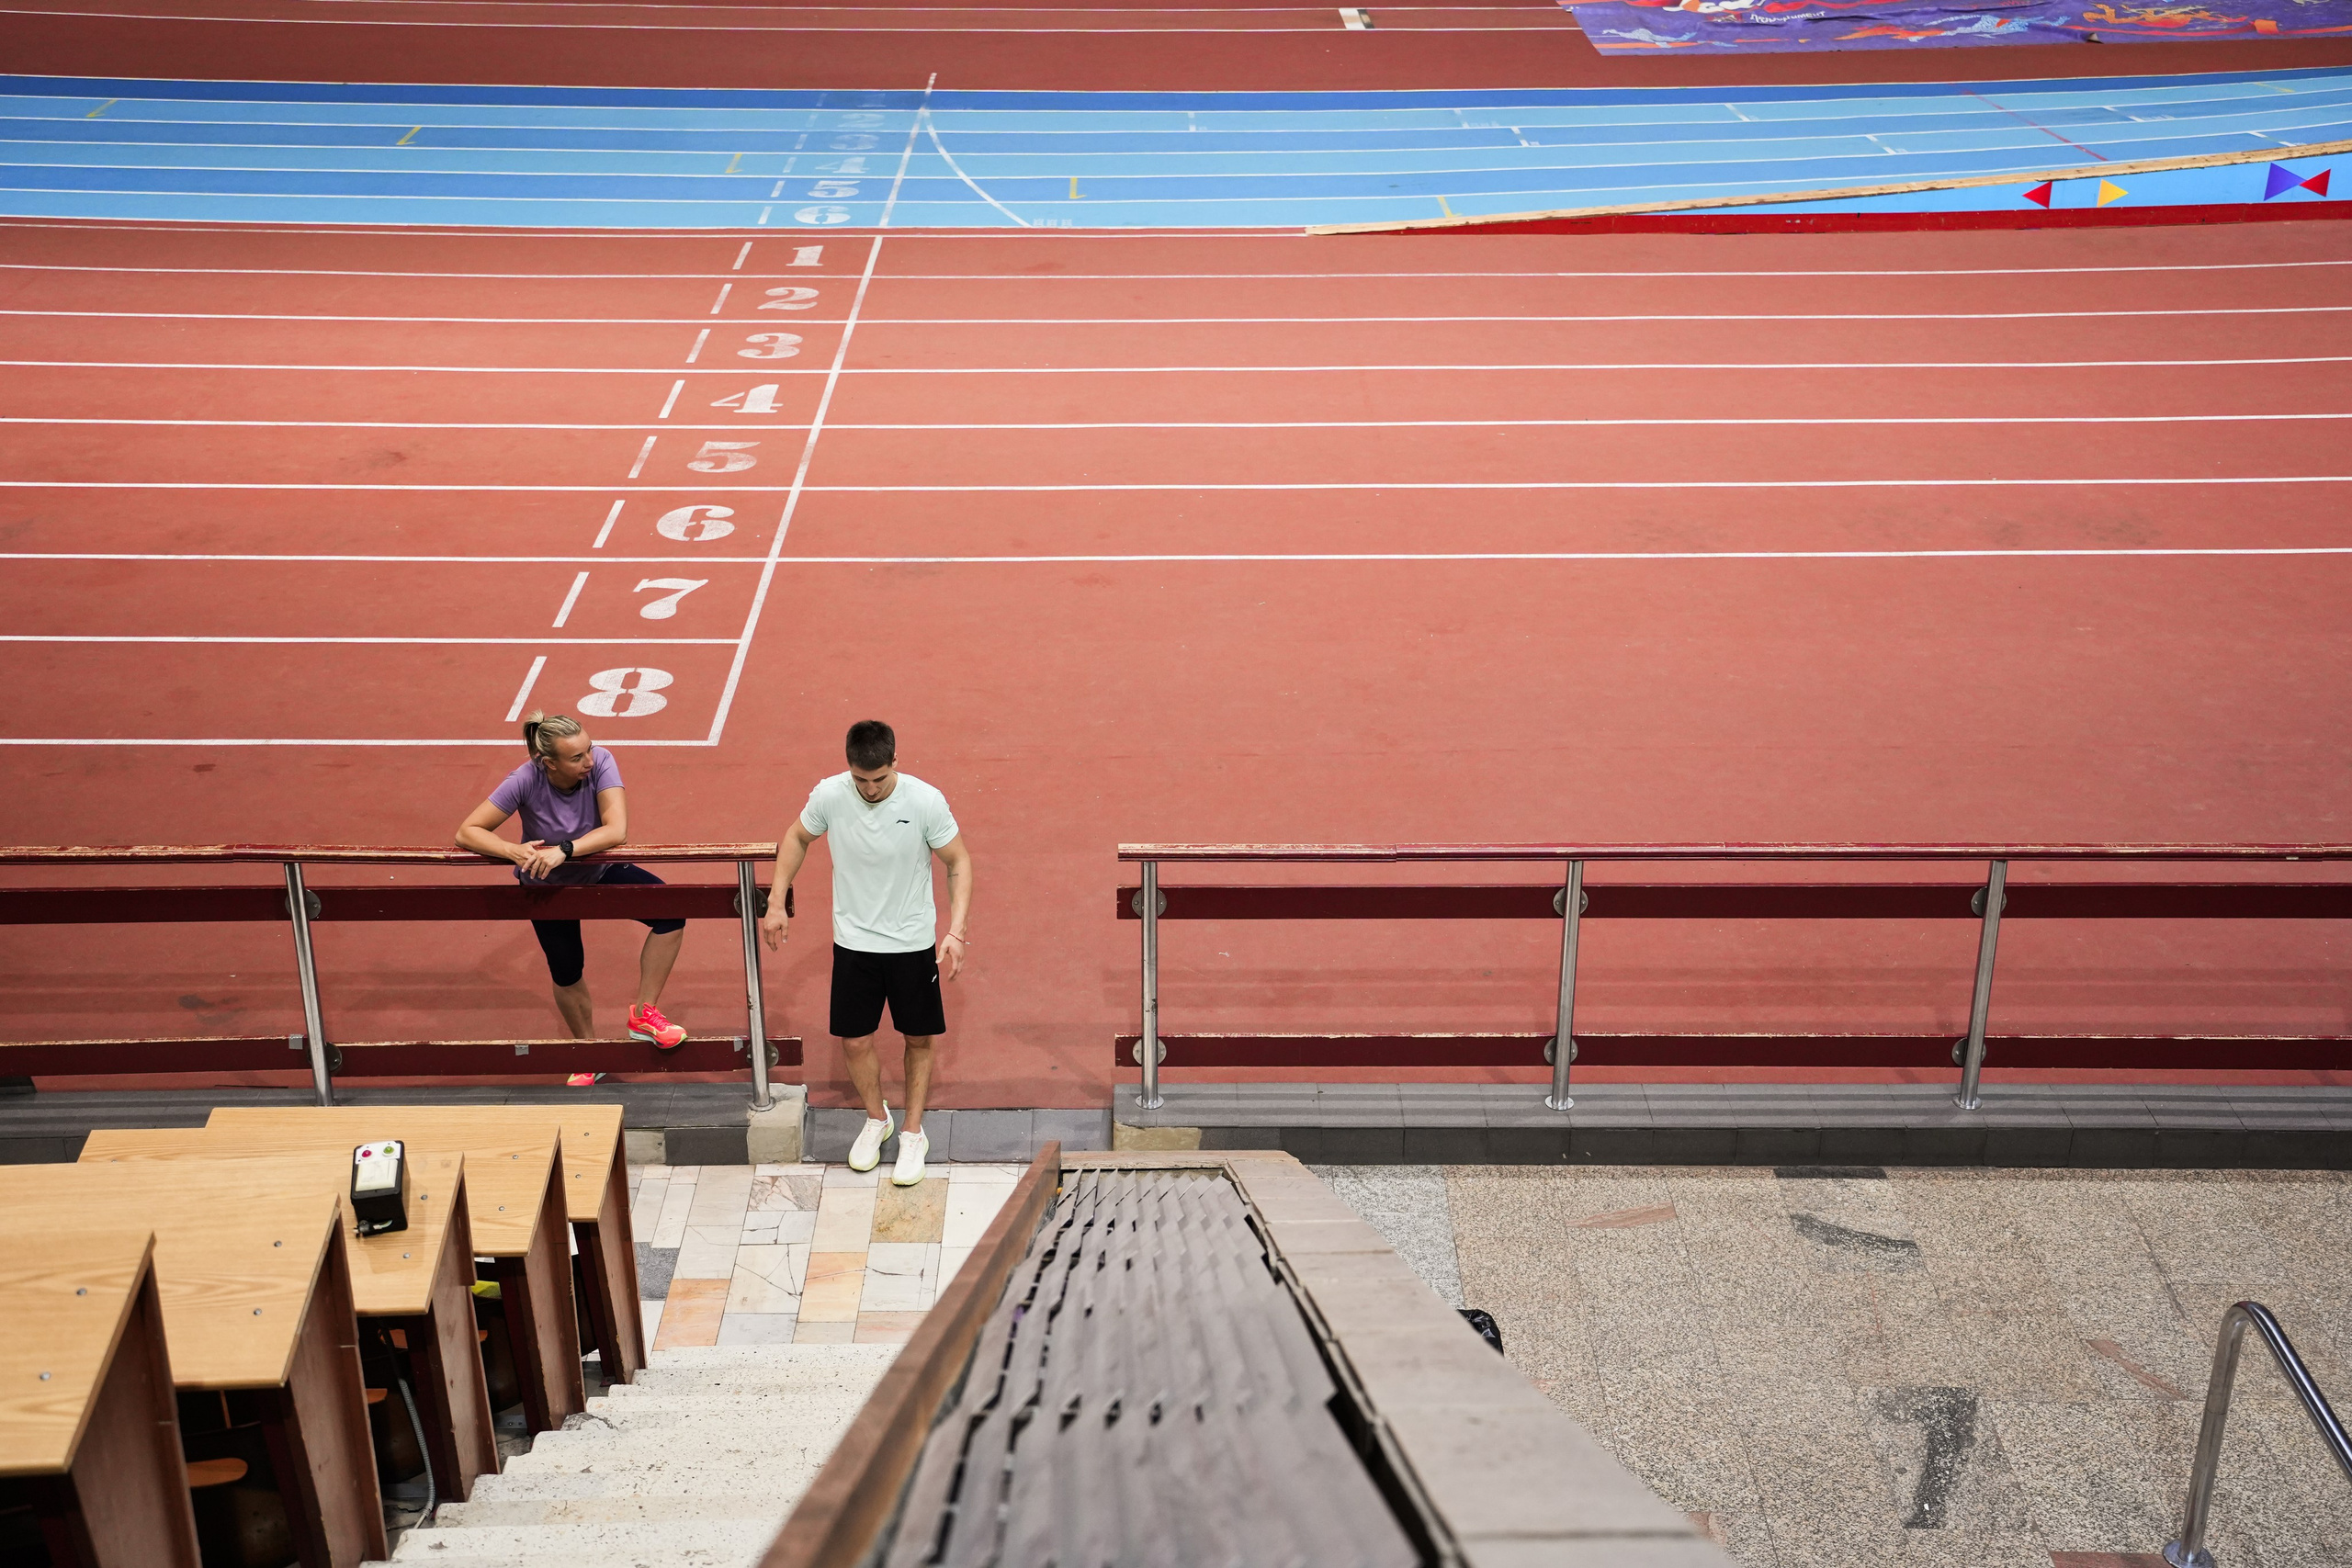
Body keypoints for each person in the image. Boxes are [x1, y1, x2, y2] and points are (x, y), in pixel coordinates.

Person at [762, 720, 971, 1186]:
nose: (870, 790)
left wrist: (956, 930)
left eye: (879, 779)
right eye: (861, 781)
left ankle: (913, 1131)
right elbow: (797, 837)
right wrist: (777, 900)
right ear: (849, 768)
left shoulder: (924, 801)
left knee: (917, 1038)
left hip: (912, 942)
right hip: (853, 942)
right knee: (855, 1040)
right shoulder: (831, 795)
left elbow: (958, 861)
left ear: (895, 762)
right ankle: (877, 1119)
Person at [457, 711, 688, 1087]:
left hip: (598, 871)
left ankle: (644, 1014)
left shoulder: (602, 763)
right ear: (548, 763)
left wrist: (565, 849)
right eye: (576, 757)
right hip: (545, 886)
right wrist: (512, 851)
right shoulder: (524, 779)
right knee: (567, 970)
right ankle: (588, 1053)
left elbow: (617, 831)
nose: (589, 762)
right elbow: (467, 831)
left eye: (589, 750)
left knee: (671, 911)